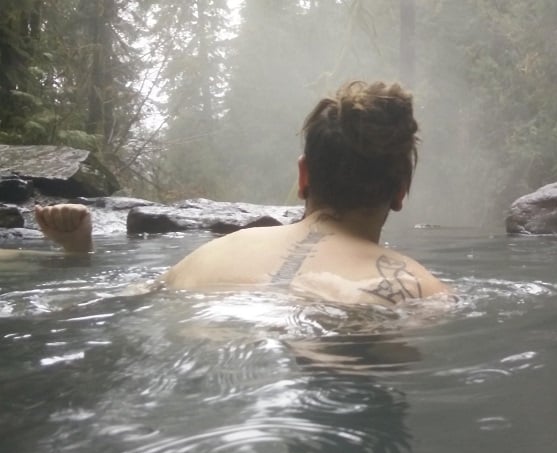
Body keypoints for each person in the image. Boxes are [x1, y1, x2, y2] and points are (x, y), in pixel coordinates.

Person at [31, 80, 448, 305]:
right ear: (400, 190)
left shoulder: (208, 256)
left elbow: (96, 303)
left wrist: (76, 256)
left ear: (304, 177)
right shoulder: (420, 288)